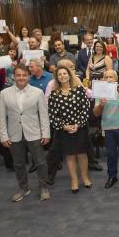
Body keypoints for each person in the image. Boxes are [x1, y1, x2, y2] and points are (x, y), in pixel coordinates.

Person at [0, 65, 52, 202]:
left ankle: (43, 187)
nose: (21, 78)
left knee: (41, 162)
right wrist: (3, 135)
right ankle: (23, 188)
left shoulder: (38, 92)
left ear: (28, 76)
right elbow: (1, 117)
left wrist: (46, 133)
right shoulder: (4, 93)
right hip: (14, 134)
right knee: (18, 164)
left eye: (24, 75)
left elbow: (44, 115)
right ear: (14, 76)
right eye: (18, 75)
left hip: (34, 132)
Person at [48, 65, 93, 193]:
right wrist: (64, 126)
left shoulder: (79, 90)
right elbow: (53, 115)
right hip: (64, 129)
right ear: (57, 77)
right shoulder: (54, 94)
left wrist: (78, 124)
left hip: (80, 127)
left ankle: (85, 177)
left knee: (82, 154)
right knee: (70, 156)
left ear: (69, 75)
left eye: (64, 73)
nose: (62, 76)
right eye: (59, 74)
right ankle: (74, 180)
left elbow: (85, 109)